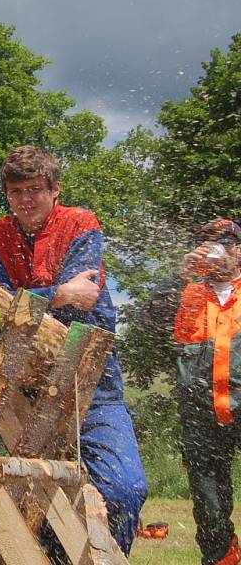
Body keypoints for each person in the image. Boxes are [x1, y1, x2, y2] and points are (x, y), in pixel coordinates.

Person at [0, 145, 148, 555]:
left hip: (93, 382)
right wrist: (57, 294)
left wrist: (29, 300)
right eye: (16, 192)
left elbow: (82, 299)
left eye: (34, 189)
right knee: (37, 495)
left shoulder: (80, 224)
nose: (26, 200)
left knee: (125, 488)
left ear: (55, 190)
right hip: (26, 386)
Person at [174, 218, 241, 565]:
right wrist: (180, 273)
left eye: (226, 243)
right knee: (209, 501)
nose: (217, 251)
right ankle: (221, 558)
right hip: (202, 416)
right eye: (209, 244)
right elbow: (144, 322)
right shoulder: (186, 293)